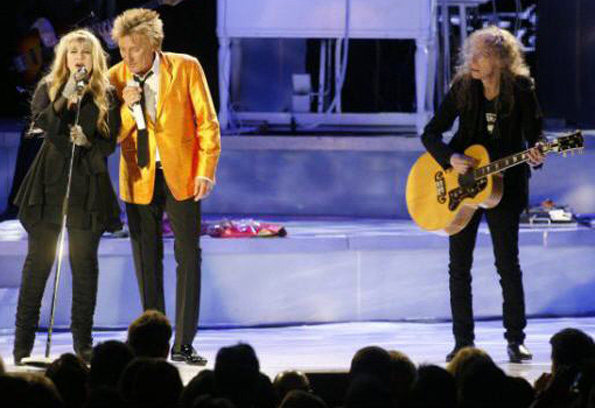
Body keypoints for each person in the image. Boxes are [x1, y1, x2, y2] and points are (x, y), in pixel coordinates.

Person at [420, 26, 545, 363]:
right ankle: (463, 344)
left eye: (481, 55)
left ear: (501, 61)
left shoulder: (520, 89)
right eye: (470, 54)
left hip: (504, 186)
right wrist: (450, 158)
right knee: (459, 267)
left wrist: (537, 152)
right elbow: (430, 133)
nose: (471, 61)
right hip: (462, 186)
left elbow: (535, 137)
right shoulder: (463, 87)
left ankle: (515, 340)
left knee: (508, 264)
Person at [108, 8, 221, 365]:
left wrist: (206, 169)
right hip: (138, 177)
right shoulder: (114, 77)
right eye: (123, 49)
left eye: (135, 49)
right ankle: (152, 344)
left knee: (188, 257)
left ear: (154, 44)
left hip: (181, 174)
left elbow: (207, 122)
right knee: (146, 260)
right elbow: (111, 133)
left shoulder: (186, 67)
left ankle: (184, 343)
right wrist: (126, 107)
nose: (128, 57)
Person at [12, 28, 122, 365]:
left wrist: (87, 143)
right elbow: (43, 121)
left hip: (87, 184)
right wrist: (66, 97)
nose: (79, 58)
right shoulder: (49, 88)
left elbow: (109, 142)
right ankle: (23, 346)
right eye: (73, 52)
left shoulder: (107, 94)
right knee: (37, 267)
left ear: (95, 58)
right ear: (64, 57)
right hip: (49, 184)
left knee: (84, 266)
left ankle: (83, 344)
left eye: (85, 52)